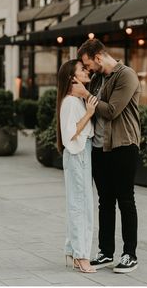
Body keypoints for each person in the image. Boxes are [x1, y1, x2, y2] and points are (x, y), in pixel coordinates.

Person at [71, 39, 141, 274]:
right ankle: (106, 252)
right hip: (100, 149)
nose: (87, 68)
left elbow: (111, 111)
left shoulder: (126, 75)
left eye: (88, 63)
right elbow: (90, 110)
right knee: (105, 201)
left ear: (98, 57)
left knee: (125, 200)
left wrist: (83, 94)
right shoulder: (98, 78)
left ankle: (130, 254)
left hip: (123, 146)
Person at [56, 59, 98, 273]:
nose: (86, 70)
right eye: (82, 69)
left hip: (81, 154)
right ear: (73, 78)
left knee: (79, 204)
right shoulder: (71, 102)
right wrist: (89, 113)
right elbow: (70, 133)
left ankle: (73, 251)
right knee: (82, 207)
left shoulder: (74, 100)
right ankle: (82, 256)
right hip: (78, 153)